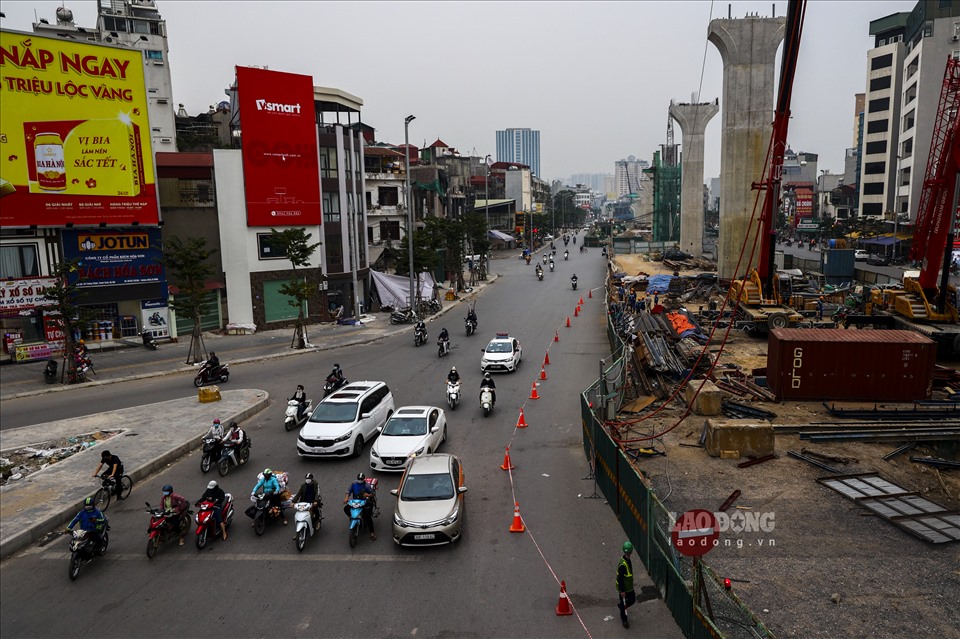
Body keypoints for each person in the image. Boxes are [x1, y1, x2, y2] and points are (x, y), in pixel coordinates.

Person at [343, 472, 376, 541]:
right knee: (346, 509)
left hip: (364, 502)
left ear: (364, 479)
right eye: (359, 479)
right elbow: (348, 491)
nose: (360, 480)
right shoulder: (353, 484)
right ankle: (352, 517)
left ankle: (372, 533)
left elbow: (372, 493)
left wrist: (368, 495)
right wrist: (346, 498)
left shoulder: (367, 485)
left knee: (367, 516)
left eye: (361, 479)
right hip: (355, 502)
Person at [292, 472, 323, 537]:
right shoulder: (303, 485)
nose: (307, 480)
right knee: (299, 515)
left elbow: (317, 493)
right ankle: (298, 533)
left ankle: (317, 522)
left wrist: (316, 501)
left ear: (311, 479)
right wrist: (293, 502)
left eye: (309, 478)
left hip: (313, 502)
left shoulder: (315, 484)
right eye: (306, 478)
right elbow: (298, 494)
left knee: (315, 511)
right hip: (304, 502)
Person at [617, 541, 637, 628]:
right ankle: (624, 620)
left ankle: (621, 606)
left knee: (632, 600)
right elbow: (620, 578)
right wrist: (622, 591)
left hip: (629, 587)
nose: (628, 554)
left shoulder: (627, 560)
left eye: (629, 553)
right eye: (627, 553)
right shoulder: (623, 564)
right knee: (624, 604)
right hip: (624, 588)